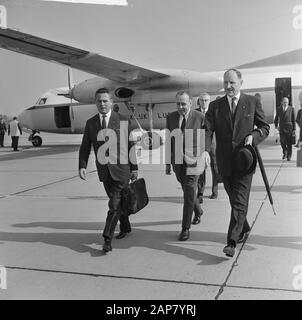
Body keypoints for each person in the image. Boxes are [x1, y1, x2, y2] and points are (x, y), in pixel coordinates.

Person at [205, 69, 269, 257]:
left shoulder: (251, 102)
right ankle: (245, 227)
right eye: (225, 82)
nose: (228, 86)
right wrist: (205, 151)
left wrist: (254, 136)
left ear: (241, 82)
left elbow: (264, 127)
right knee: (235, 201)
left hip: (244, 161)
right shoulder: (215, 106)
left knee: (240, 201)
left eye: (232, 82)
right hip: (224, 163)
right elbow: (207, 130)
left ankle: (232, 242)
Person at [78, 88, 138, 253]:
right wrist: (82, 166)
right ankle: (125, 227)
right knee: (118, 203)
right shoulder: (91, 123)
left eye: (105, 101)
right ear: (95, 102)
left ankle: (107, 239)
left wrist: (134, 168)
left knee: (113, 205)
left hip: (122, 170)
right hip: (104, 171)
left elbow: (131, 146)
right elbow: (85, 146)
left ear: (111, 102)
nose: (102, 104)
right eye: (99, 101)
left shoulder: (123, 120)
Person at [165, 90, 207, 240]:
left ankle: (185, 228)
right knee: (187, 191)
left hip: (194, 162)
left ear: (190, 103)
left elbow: (206, 138)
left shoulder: (200, 117)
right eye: (178, 103)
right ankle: (198, 210)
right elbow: (169, 139)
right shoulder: (171, 117)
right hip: (178, 162)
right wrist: (168, 163)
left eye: (183, 103)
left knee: (188, 192)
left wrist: (205, 154)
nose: (181, 106)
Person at [195, 92, 220, 203]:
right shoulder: (195, 113)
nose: (204, 102)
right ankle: (200, 193)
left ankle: (215, 190)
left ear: (209, 101)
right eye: (202, 100)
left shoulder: (215, 112)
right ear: (199, 101)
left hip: (213, 144)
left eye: (206, 100)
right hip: (200, 145)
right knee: (201, 169)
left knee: (215, 168)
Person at [274, 97, 296, 161]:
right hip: (281, 127)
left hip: (289, 128)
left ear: (288, 102)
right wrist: (276, 125)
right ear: (282, 102)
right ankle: (285, 151)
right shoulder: (279, 109)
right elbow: (276, 118)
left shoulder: (291, 109)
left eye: (286, 102)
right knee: (282, 141)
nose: (285, 103)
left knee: (289, 143)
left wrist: (294, 129)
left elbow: (293, 120)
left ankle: (289, 156)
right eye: (284, 102)